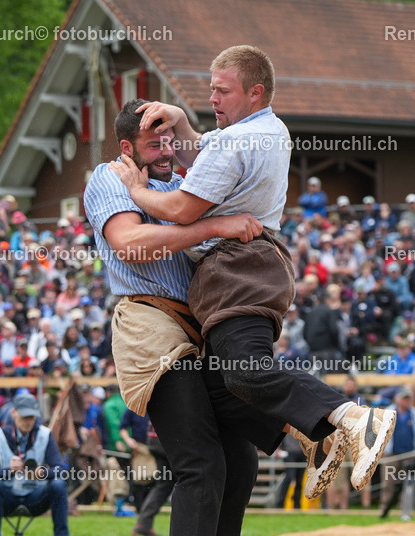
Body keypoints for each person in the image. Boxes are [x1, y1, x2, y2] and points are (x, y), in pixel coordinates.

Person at [110, 46, 394, 501]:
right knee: (230, 378)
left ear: (255, 92)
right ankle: (318, 436)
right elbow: (206, 160)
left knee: (244, 372)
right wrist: (182, 124)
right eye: (211, 89)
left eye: (222, 91)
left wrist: (137, 191)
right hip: (255, 264)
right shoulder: (269, 130)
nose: (213, 98)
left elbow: (182, 208)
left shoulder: (234, 141)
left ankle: (354, 417)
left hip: (234, 267)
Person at [87, 98, 289, 536]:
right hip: (151, 325)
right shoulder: (109, 177)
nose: (164, 150)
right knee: (200, 460)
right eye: (152, 143)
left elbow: (212, 165)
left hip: (200, 331)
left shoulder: (182, 188)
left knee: (239, 460)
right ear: (127, 147)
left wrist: (180, 120)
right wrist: (214, 226)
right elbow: (130, 243)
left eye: (168, 140)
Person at [0, 393, 69, 536]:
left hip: (35, 497)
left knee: (58, 483)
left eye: (32, 417)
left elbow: (61, 469)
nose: (28, 421)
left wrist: (42, 473)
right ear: (13, 412)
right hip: (7, 497)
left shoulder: (44, 434)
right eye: (24, 416)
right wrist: (9, 470)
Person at [380, 387, 415, 521]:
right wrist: (382, 450)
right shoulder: (389, 412)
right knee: (388, 483)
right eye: (404, 398)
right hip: (391, 454)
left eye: (408, 398)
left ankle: (405, 510)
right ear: (397, 399)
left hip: (409, 454)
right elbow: (381, 432)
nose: (406, 401)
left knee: (408, 484)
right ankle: (385, 509)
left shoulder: (414, 413)